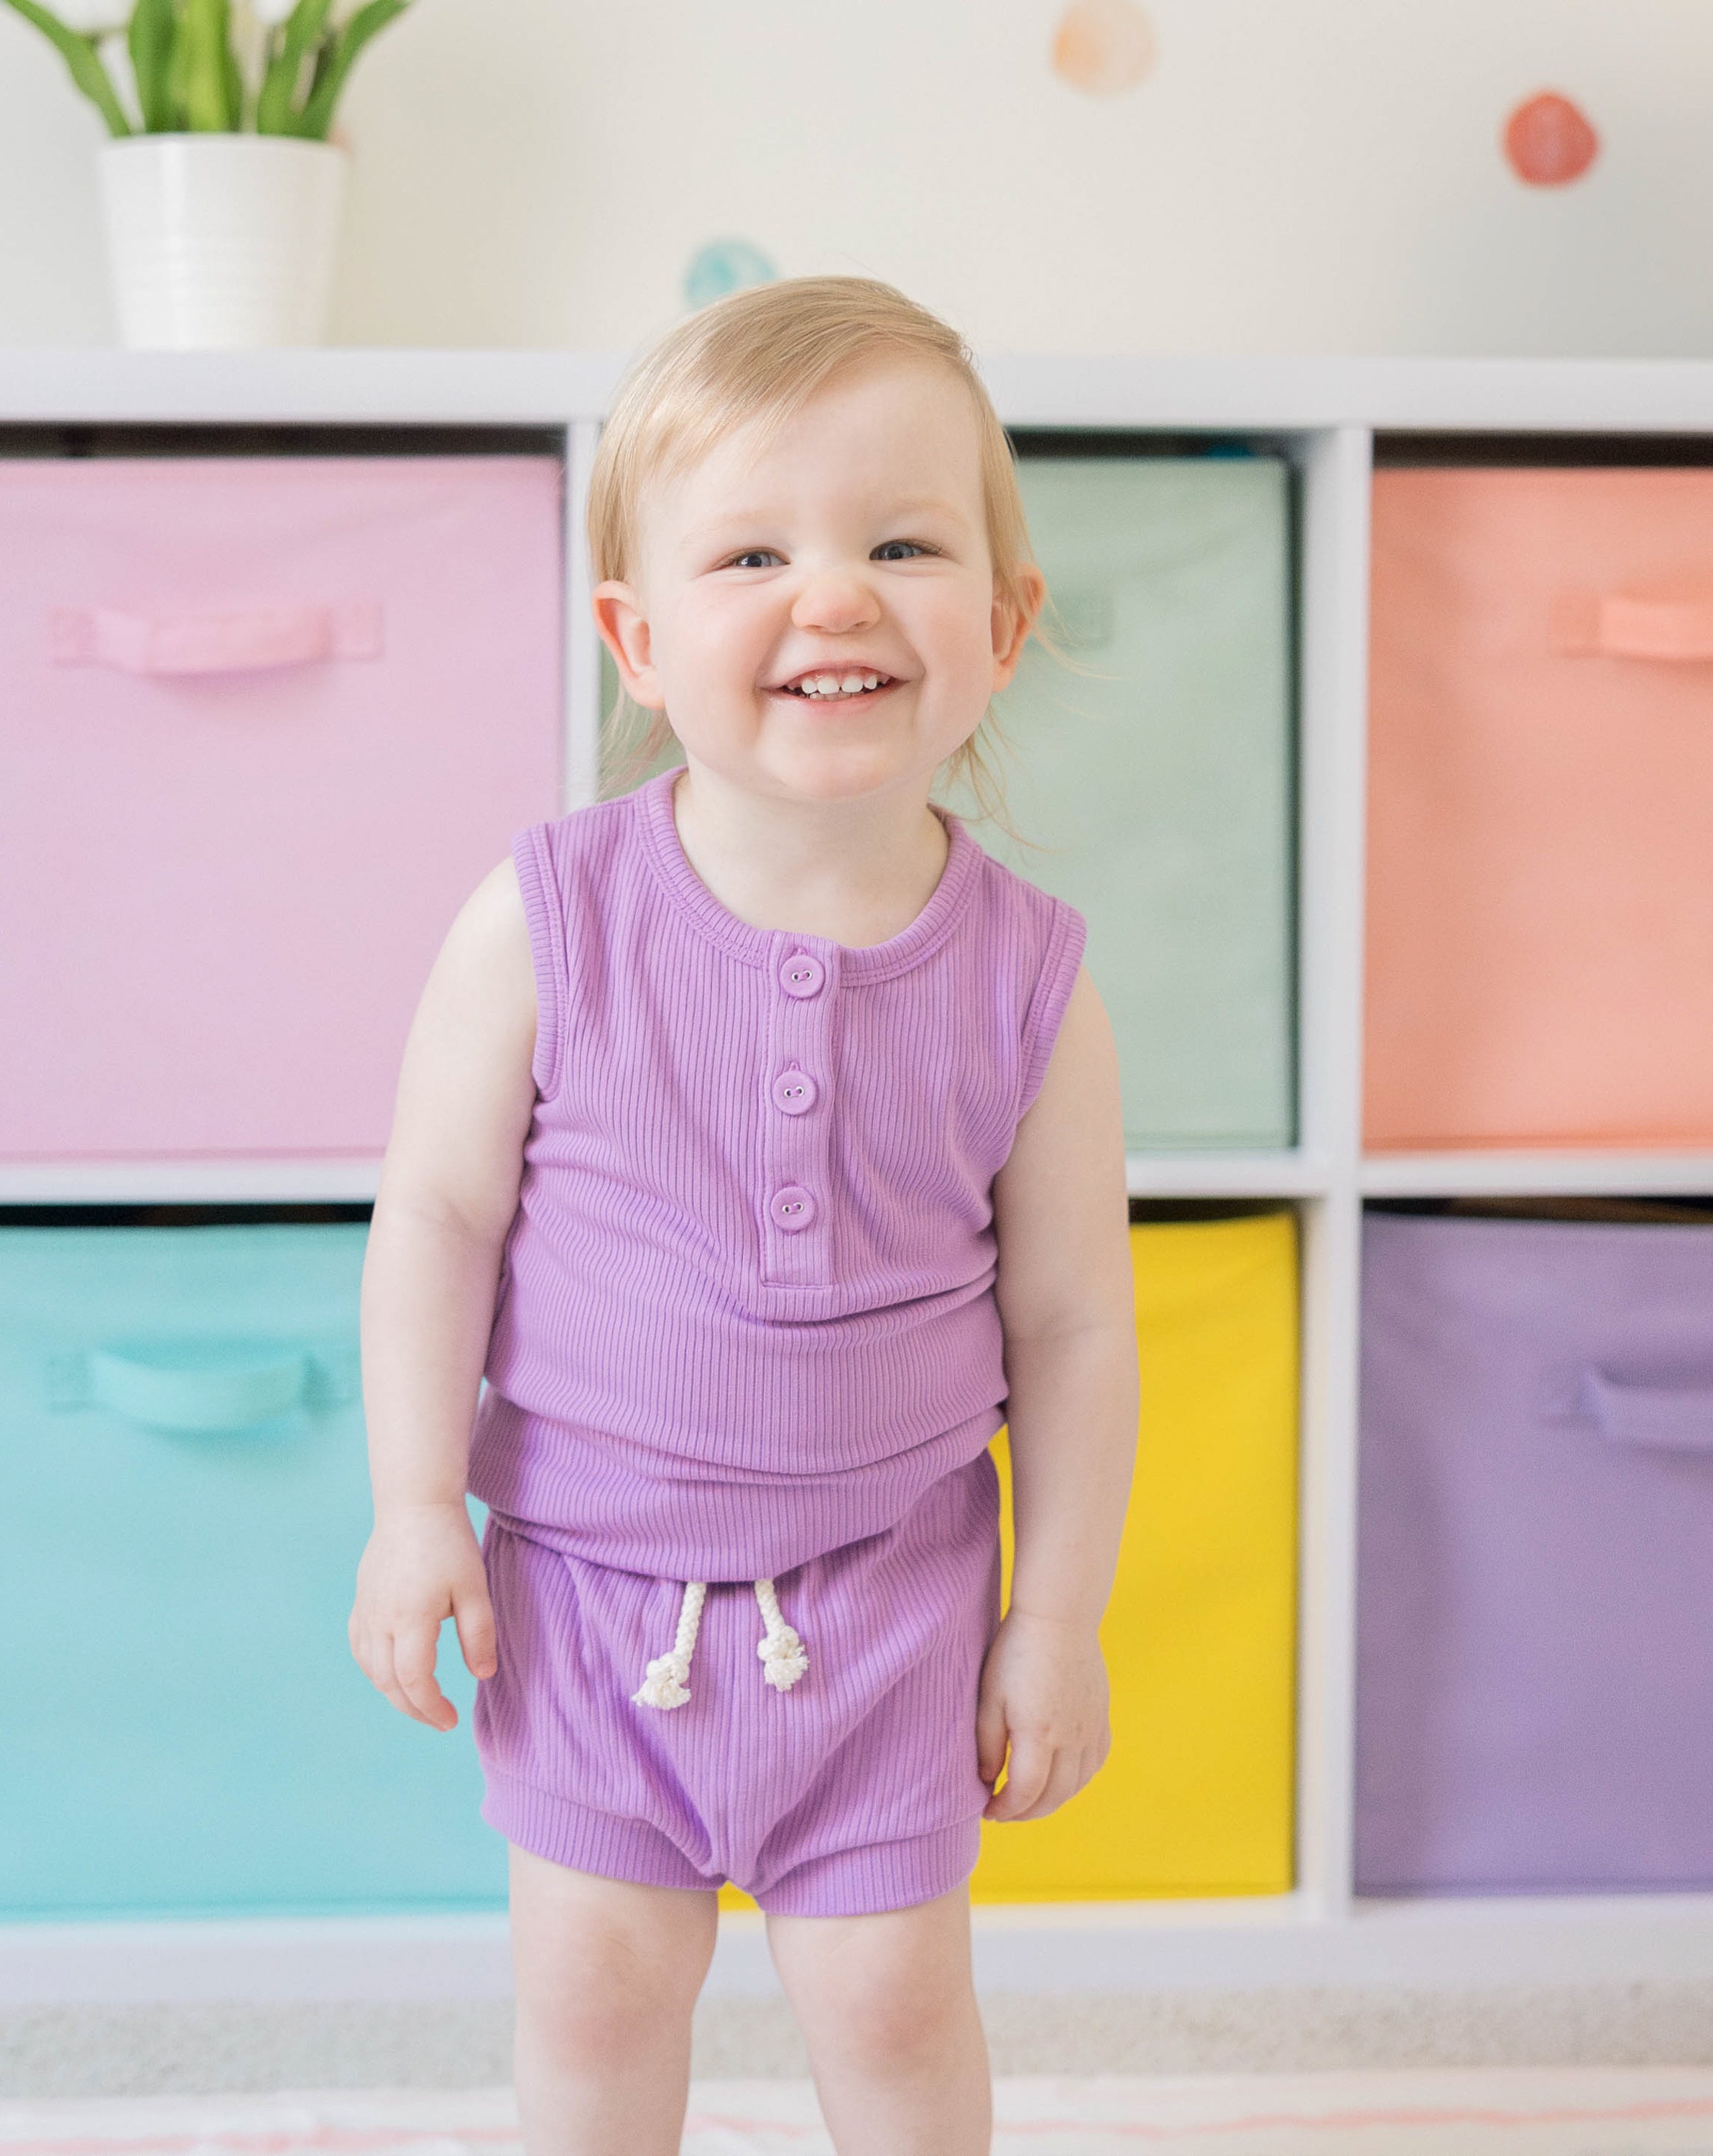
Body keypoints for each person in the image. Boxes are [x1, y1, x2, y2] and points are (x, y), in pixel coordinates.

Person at [348, 274, 1139, 2156]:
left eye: (902, 540)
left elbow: (1076, 1324)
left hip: (889, 1600)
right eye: (756, 551)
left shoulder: (1033, 976)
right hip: (591, 1592)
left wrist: (1063, 1614)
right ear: (635, 636)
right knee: (595, 1998)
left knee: (892, 2004)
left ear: (1005, 623)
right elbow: (439, 1216)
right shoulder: (546, 918)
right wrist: (407, 1506)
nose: (839, 592)